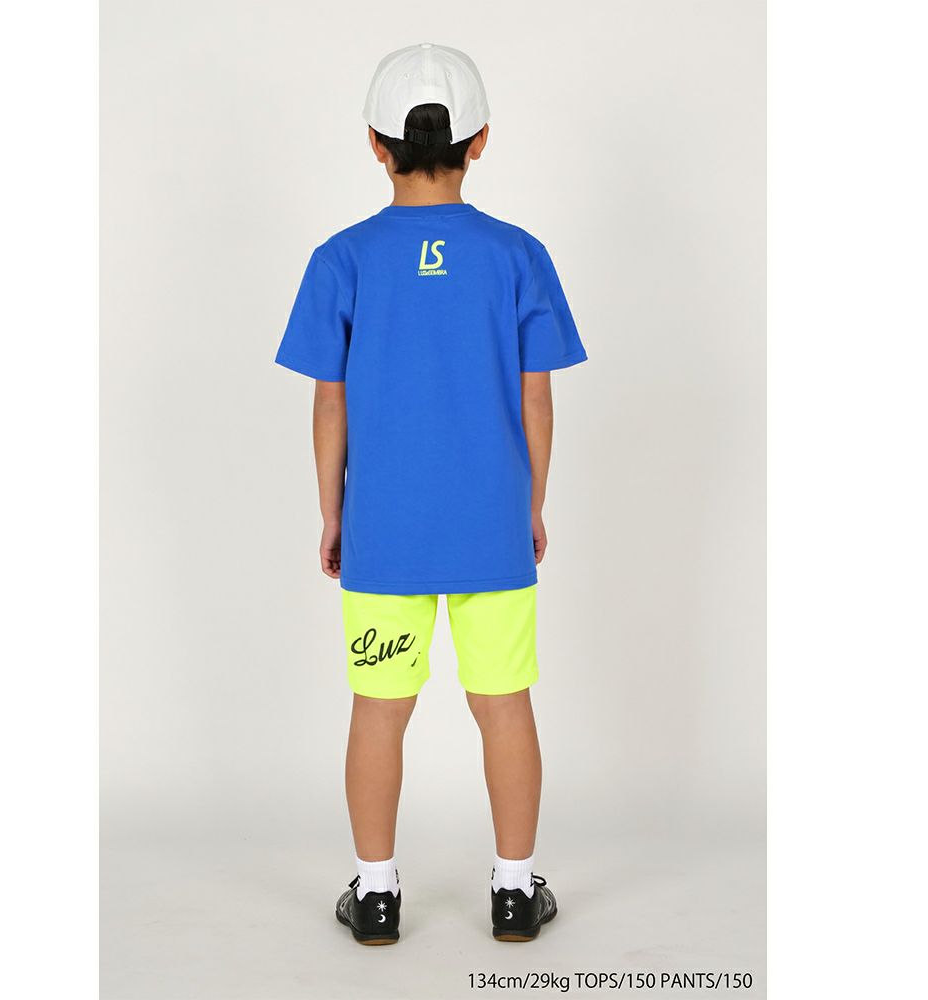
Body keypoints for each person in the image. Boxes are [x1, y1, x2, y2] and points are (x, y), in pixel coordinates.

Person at [275, 42, 586, 944]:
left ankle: (376, 896)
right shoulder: (518, 255)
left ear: (375, 144)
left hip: (386, 530)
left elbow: (329, 404)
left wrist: (334, 513)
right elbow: (537, 399)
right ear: (480, 140)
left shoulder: (342, 259)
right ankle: (515, 892)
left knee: (380, 710)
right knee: (504, 704)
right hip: (490, 527)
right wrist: (530, 505)